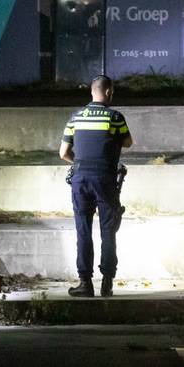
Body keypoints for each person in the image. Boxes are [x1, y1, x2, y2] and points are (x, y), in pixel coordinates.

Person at [58, 75, 133, 297]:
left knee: (83, 230)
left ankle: (85, 284)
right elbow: (128, 142)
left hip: (80, 178)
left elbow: (63, 153)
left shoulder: (75, 118)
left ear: (92, 92)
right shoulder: (115, 117)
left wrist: (81, 163)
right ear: (109, 92)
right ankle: (107, 283)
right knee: (108, 231)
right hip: (105, 179)